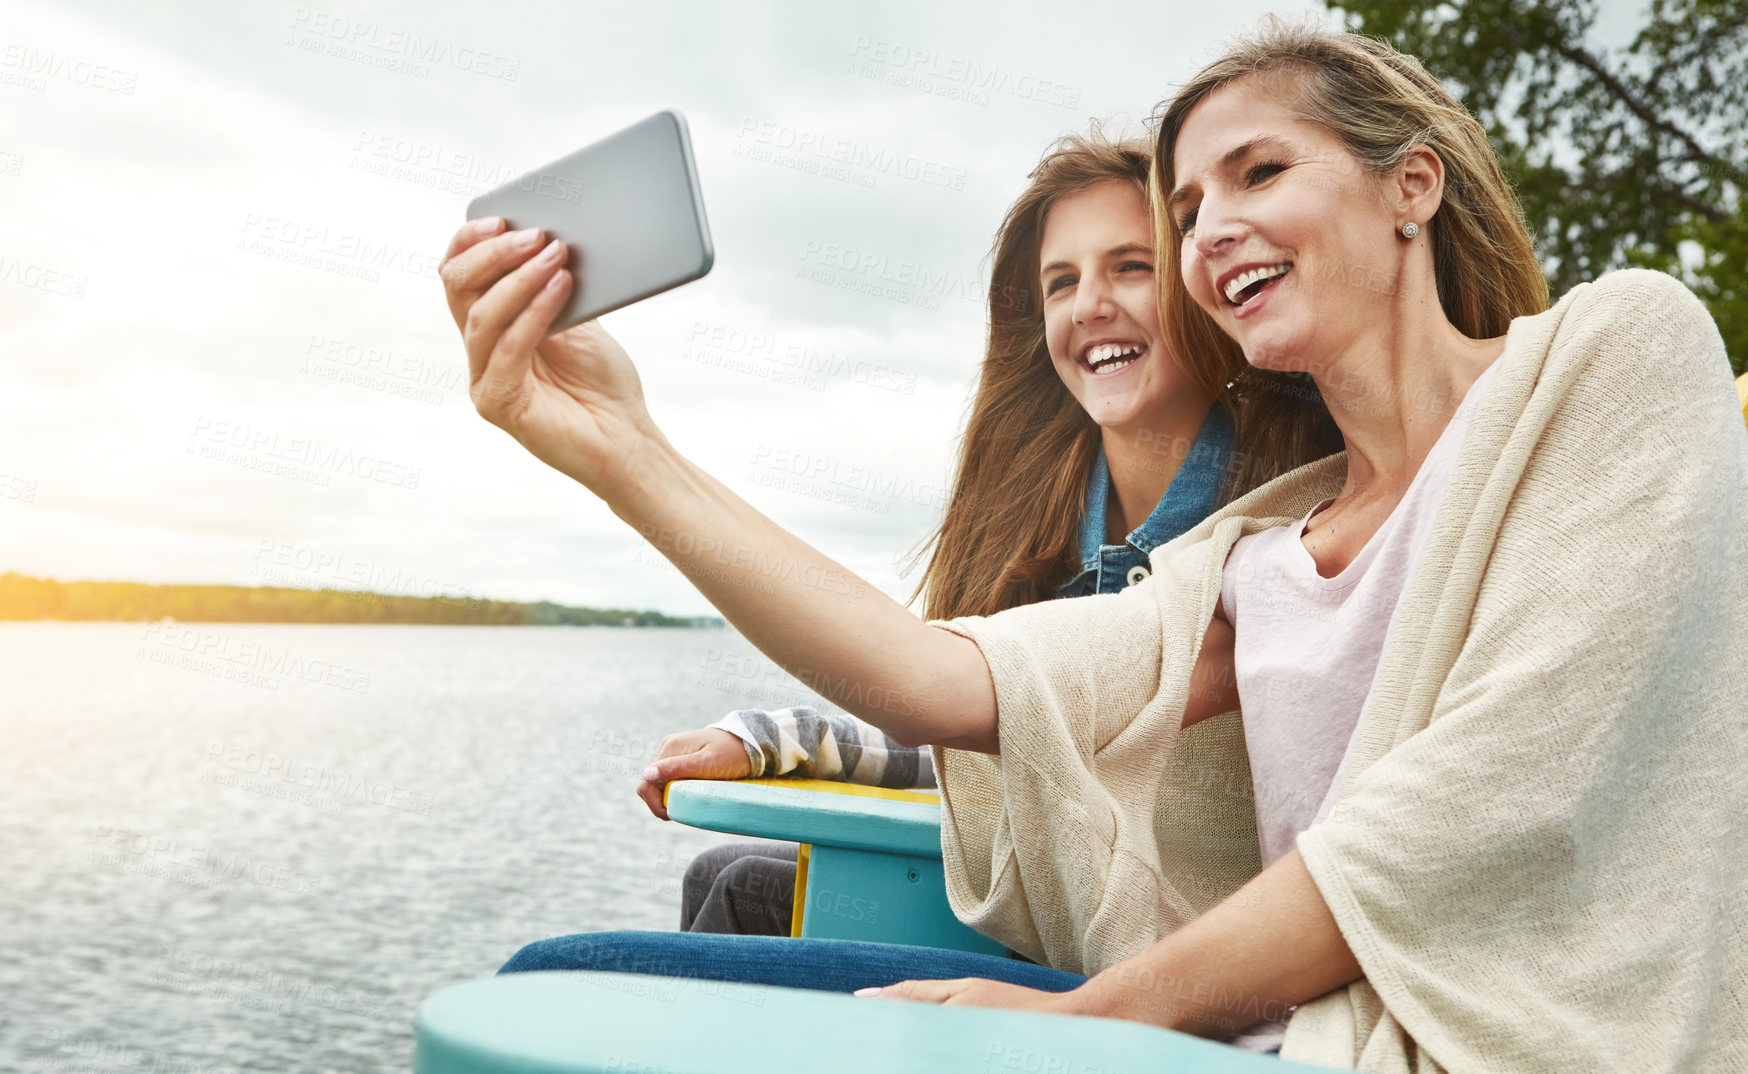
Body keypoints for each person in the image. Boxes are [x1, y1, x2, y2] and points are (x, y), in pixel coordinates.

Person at [441, 22, 1746, 1069]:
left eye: (1259, 172)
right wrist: (621, 445)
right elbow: (935, 677)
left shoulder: (1614, 357)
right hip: (1256, 1030)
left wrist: (1093, 1015)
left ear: (1413, 183)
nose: (1214, 226)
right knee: (564, 985)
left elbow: (1462, 809)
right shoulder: (1250, 556)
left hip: (1453, 1042)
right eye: (1192, 206)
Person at [652, 132, 1338, 937]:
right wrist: (775, 739)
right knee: (730, 874)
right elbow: (971, 726)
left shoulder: (1275, 521)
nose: (1089, 305)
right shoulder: (1037, 514)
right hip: (1048, 902)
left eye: (1131, 266)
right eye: (1061, 282)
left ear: (1200, 285)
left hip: (1152, 941)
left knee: (722, 900)